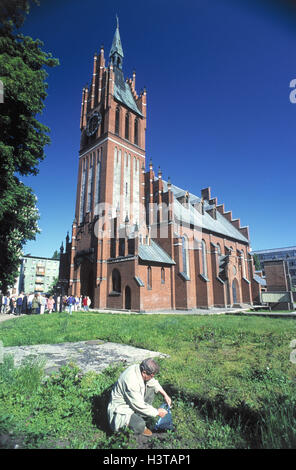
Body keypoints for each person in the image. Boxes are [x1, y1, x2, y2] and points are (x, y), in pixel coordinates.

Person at [107, 358, 172, 436]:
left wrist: (165, 395)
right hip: (121, 409)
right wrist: (157, 412)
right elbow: (139, 405)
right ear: (144, 372)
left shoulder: (140, 369)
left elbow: (153, 382)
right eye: (151, 376)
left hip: (133, 401)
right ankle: (125, 430)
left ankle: (142, 416)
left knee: (152, 387)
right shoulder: (131, 381)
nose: (152, 377)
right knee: (139, 425)